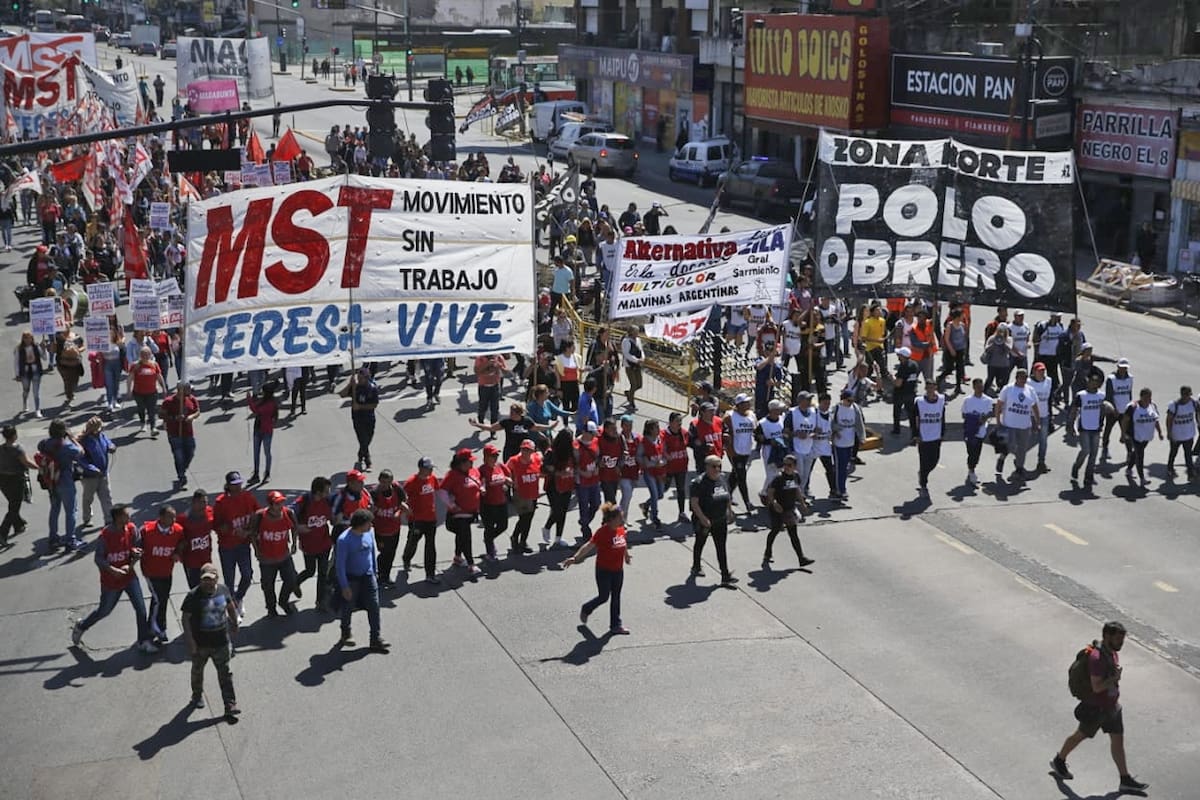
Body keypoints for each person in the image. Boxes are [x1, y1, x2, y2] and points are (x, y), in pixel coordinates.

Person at [1050, 621, 1149, 793]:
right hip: (1097, 708)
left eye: (1122, 640)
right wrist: (1115, 678)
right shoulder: (1096, 658)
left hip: (1112, 706)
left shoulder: (1110, 652)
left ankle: (1125, 779)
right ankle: (1059, 760)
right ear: (1107, 636)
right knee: (1080, 735)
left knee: (1118, 741)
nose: (1121, 643)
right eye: (1118, 639)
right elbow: (1097, 687)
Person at [71, 505, 157, 653]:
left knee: (140, 608)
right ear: (117, 518)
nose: (128, 517)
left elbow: (138, 546)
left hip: (129, 577)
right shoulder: (106, 535)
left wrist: (134, 557)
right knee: (104, 611)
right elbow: (98, 558)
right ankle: (82, 626)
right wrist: (113, 570)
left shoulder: (131, 529)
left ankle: (143, 640)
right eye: (125, 515)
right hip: (111, 581)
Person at [561, 503, 632, 635]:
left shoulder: (621, 529)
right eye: (620, 518)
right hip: (604, 570)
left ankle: (615, 625)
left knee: (616, 597)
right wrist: (575, 558)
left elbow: (623, 542)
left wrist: (626, 556)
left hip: (618, 570)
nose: (622, 520)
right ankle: (587, 608)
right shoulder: (602, 532)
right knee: (604, 596)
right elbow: (589, 545)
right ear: (611, 520)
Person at [180, 562, 240, 718]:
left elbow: (231, 606)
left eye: (211, 579)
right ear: (200, 579)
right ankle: (197, 695)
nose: (208, 582)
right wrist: (191, 642)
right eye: (205, 579)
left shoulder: (223, 590)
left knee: (225, 674)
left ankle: (230, 704)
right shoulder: (193, 596)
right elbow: (185, 619)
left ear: (216, 579)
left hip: (221, 642)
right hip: (201, 645)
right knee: (197, 672)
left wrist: (234, 622)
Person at [335, 508, 390, 651]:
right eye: (368, 523)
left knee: (374, 606)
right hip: (351, 578)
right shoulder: (344, 540)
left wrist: (375, 573)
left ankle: (375, 638)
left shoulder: (369, 533)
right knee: (348, 607)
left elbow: (372, 553)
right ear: (360, 524)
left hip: (368, 576)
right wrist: (344, 586)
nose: (371, 525)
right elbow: (339, 565)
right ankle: (345, 632)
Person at [213, 471, 260, 619]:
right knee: (229, 580)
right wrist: (224, 529)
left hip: (243, 545)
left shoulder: (248, 497)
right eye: (234, 485)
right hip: (227, 547)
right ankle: (231, 609)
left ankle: (238, 598)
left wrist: (249, 531)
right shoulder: (221, 502)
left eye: (239, 483)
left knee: (247, 575)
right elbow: (216, 525)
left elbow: (258, 514)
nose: (238, 486)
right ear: (228, 486)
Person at [249, 491, 301, 616]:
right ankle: (271, 608)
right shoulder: (260, 516)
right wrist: (257, 551)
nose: (280, 506)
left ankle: (283, 601)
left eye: (282, 502)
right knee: (268, 586)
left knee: (291, 580)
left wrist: (294, 543)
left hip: (284, 556)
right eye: (277, 504)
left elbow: (294, 527)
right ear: (270, 505)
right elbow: (252, 534)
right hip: (267, 559)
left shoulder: (288, 513)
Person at [689, 454, 737, 585]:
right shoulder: (698, 483)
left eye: (719, 466)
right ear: (707, 467)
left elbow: (727, 496)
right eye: (714, 466)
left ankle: (725, 575)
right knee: (700, 542)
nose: (717, 469)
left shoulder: (722, 478)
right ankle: (696, 566)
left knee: (721, 546)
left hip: (720, 519)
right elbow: (694, 503)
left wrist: (730, 511)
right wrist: (703, 518)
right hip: (704, 520)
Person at [140, 505, 184, 645]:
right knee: (158, 599)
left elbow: (183, 542)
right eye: (171, 516)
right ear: (161, 517)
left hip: (166, 571)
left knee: (163, 599)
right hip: (151, 573)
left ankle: (158, 627)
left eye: (174, 516)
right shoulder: (146, 531)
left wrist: (177, 552)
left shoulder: (177, 530)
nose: (174, 519)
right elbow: (137, 545)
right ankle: (155, 627)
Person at [38, 419, 83, 552]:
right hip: (66, 481)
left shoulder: (44, 444)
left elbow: (40, 447)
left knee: (54, 509)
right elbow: (81, 452)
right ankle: (71, 540)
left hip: (51, 482)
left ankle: (53, 538)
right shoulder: (67, 446)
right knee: (71, 511)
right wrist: (72, 438)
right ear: (63, 431)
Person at [762, 453, 813, 569]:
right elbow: (769, 493)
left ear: (794, 466)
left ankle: (801, 558)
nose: (786, 467)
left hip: (789, 509)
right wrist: (774, 503)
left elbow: (797, 491)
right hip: (777, 509)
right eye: (784, 464)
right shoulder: (778, 478)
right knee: (775, 530)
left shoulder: (795, 476)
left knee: (793, 534)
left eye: (789, 465)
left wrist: (803, 503)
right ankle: (767, 553)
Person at [440, 448, 484, 577]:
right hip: (458, 515)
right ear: (460, 463)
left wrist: (482, 488)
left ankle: (458, 557)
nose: (472, 464)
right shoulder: (452, 475)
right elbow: (442, 492)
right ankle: (471, 564)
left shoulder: (474, 471)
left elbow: (479, 482)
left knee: (461, 536)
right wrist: (452, 505)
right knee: (466, 537)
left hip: (472, 512)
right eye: (469, 462)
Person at [293, 477, 334, 605]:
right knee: (310, 571)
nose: (329, 493)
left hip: (324, 543)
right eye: (326, 491)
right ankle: (294, 583)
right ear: (317, 492)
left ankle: (320, 601)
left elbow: (333, 514)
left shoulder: (327, 501)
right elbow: (288, 514)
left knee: (322, 573)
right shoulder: (304, 502)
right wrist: (297, 527)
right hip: (309, 545)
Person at [402, 457, 441, 582]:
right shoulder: (411, 482)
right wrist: (407, 510)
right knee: (413, 542)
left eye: (431, 469)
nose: (430, 471)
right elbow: (403, 499)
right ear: (421, 468)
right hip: (416, 520)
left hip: (431, 518)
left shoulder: (433, 479)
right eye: (428, 469)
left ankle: (430, 574)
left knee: (430, 545)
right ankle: (406, 558)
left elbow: (438, 491)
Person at [995, 368, 1039, 479]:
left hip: (1024, 425)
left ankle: (1019, 468)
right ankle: (1002, 457)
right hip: (1009, 424)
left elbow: (1034, 407)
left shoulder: (1030, 390)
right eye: (1021, 377)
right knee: (1010, 445)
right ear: (1016, 378)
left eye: (1025, 377)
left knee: (1022, 448)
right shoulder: (1008, 389)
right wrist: (998, 420)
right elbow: (999, 404)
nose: (1023, 380)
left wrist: (1036, 422)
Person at [1069, 373, 1109, 487]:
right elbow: (1074, 410)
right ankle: (1076, 466)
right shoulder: (1081, 395)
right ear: (1088, 382)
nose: (1094, 383)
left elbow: (1104, 408)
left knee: (1094, 453)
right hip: (1084, 428)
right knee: (1085, 450)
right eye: (1092, 381)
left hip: (1096, 428)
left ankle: (1089, 476)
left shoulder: (1101, 396)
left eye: (1096, 382)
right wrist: (1071, 425)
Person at [160, 380, 200, 489]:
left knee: (190, 452)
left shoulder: (191, 399)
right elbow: (162, 415)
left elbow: (197, 411)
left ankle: (183, 469)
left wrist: (192, 417)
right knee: (179, 456)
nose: (190, 390)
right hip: (174, 433)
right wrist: (174, 418)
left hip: (188, 432)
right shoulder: (168, 401)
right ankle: (181, 476)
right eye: (188, 388)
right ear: (180, 390)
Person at [370, 470, 408, 586]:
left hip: (395, 529)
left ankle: (386, 575)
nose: (385, 484)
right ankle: (381, 575)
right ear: (379, 480)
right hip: (381, 531)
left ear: (391, 481)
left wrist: (400, 512)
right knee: (384, 553)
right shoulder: (375, 493)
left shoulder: (397, 489)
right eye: (383, 482)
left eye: (387, 482)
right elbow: (369, 510)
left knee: (391, 553)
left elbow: (403, 503)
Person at [77, 416, 115, 529]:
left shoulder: (101, 436)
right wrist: (93, 469)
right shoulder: (83, 441)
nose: (101, 429)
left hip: (103, 474)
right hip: (90, 476)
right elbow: (81, 460)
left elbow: (108, 442)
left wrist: (111, 446)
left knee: (107, 497)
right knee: (88, 498)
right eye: (98, 427)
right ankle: (87, 518)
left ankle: (109, 519)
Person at [0, 425, 35, 546]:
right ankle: (2, 533)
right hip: (16, 479)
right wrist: (39, 467)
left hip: (3, 480)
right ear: (14, 435)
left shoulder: (1, 448)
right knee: (14, 506)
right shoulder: (18, 449)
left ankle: (18, 524)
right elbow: (26, 462)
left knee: (13, 502)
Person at [1120, 388, 1162, 487]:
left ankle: (1129, 469)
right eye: (1146, 397)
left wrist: (1159, 432)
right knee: (1140, 455)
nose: (1148, 399)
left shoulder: (1153, 406)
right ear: (1141, 397)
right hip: (1135, 435)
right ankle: (1142, 478)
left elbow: (1156, 420)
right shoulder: (1132, 407)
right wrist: (1123, 434)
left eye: (1149, 397)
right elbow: (1125, 421)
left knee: (1137, 453)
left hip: (1146, 435)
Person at [723, 393, 757, 511]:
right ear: (739, 405)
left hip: (746, 450)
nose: (749, 404)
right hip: (735, 451)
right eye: (746, 402)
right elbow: (725, 434)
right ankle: (747, 503)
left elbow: (755, 430)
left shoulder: (752, 415)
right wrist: (730, 450)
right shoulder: (730, 417)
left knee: (735, 475)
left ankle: (726, 496)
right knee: (741, 476)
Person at [831, 389, 865, 500]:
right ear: (843, 399)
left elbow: (859, 423)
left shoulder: (855, 408)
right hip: (839, 443)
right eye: (848, 400)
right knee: (839, 467)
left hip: (850, 442)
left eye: (852, 400)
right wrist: (836, 430)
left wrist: (861, 437)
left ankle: (842, 488)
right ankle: (839, 489)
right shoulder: (836, 409)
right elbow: (830, 422)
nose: (850, 402)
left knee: (845, 467)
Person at [915, 382, 947, 493]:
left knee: (934, 460)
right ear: (925, 389)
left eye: (932, 388)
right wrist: (916, 435)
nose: (930, 390)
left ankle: (923, 474)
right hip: (924, 437)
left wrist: (942, 433)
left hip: (936, 436)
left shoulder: (941, 400)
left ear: (936, 388)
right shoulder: (919, 402)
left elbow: (943, 417)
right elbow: (916, 418)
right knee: (924, 462)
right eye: (928, 388)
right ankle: (923, 484)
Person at [179, 490, 215, 589]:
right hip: (191, 563)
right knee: (195, 590)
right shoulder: (183, 519)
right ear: (194, 502)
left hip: (206, 561)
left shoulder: (210, 512)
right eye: (201, 502)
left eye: (205, 502)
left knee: (209, 588)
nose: (204, 505)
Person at [961, 378, 994, 485]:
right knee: (971, 451)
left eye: (982, 386)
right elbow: (964, 414)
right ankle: (971, 469)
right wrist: (973, 419)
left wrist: (982, 419)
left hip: (981, 431)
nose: (980, 388)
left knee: (976, 453)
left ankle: (972, 468)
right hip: (969, 431)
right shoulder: (967, 400)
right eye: (978, 387)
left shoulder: (988, 400)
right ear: (973, 387)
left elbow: (990, 413)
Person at [347, 366, 379, 471]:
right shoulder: (355, 387)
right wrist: (350, 384)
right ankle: (368, 460)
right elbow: (342, 394)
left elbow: (374, 404)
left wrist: (360, 406)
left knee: (368, 438)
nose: (359, 380)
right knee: (362, 439)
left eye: (362, 378)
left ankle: (361, 453)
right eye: (358, 378)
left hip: (369, 417)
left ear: (367, 377)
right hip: (357, 418)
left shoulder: (372, 388)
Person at [1103, 359, 1134, 462]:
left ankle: (1129, 453)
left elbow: (1129, 393)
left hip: (1125, 411)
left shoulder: (1130, 378)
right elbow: (1109, 395)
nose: (1123, 370)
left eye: (1125, 368)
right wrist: (1114, 409)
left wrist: (1130, 408)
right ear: (1118, 367)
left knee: (1127, 433)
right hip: (1113, 410)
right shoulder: (1111, 379)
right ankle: (1105, 448)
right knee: (1108, 430)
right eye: (1121, 367)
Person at [661, 412, 690, 524]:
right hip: (669, 468)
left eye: (680, 421)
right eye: (677, 421)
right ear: (671, 422)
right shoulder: (664, 434)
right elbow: (661, 447)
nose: (680, 423)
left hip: (681, 467)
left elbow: (691, 442)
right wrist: (665, 454)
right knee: (663, 489)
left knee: (681, 490)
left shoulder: (684, 433)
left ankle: (682, 513)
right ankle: (647, 504)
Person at [248, 385, 280, 484]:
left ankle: (258, 474)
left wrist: (249, 399)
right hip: (266, 430)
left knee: (258, 453)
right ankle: (265, 473)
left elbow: (255, 410)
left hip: (260, 429)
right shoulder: (273, 403)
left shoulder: (266, 403)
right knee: (266, 452)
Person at [1166, 385, 1198, 478]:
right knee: (1173, 453)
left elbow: (1198, 412)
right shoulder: (1174, 405)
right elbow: (1169, 419)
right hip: (1177, 435)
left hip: (1189, 434)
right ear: (1182, 395)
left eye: (1189, 394)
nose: (1188, 397)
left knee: (1188, 454)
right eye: (1187, 395)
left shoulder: (1193, 403)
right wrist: (1169, 432)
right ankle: (1170, 468)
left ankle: (1190, 472)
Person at [1028, 362, 1054, 473]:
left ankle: (1041, 462)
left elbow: (1049, 399)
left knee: (1043, 440)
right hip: (1030, 416)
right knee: (1024, 440)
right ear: (1034, 372)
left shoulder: (1048, 381)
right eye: (1039, 371)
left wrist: (1050, 415)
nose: (1041, 373)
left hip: (1044, 415)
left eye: (1043, 370)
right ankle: (1019, 462)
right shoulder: (1028, 383)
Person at [891, 347, 919, 438]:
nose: (898, 356)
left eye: (899, 355)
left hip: (901, 394)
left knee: (897, 412)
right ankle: (914, 433)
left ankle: (896, 429)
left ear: (903, 356)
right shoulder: (914, 364)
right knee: (911, 414)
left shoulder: (903, 367)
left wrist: (892, 378)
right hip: (911, 392)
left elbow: (898, 383)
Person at [15, 330, 43, 418]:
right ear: (23, 339)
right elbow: (16, 362)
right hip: (25, 371)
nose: (28, 340)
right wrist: (17, 374)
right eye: (26, 338)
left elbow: (44, 357)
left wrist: (44, 348)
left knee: (36, 392)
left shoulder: (36, 346)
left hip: (35, 370)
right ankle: (25, 403)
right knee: (26, 390)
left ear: (32, 338)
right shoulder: (19, 349)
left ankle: (37, 410)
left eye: (29, 338)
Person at [474, 354, 506, 427]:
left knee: (495, 409)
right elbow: (476, 371)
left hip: (495, 386)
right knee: (483, 406)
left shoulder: (499, 357)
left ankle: (493, 430)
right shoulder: (480, 358)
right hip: (483, 386)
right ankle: (481, 421)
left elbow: (505, 371)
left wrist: (500, 366)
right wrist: (487, 364)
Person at [621, 326, 644, 411]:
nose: (637, 333)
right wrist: (636, 360)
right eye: (636, 331)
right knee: (633, 384)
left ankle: (629, 393)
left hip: (637, 365)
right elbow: (626, 354)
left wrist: (642, 359)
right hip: (629, 365)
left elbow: (641, 350)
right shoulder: (626, 341)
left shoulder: (638, 340)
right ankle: (631, 402)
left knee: (639, 384)